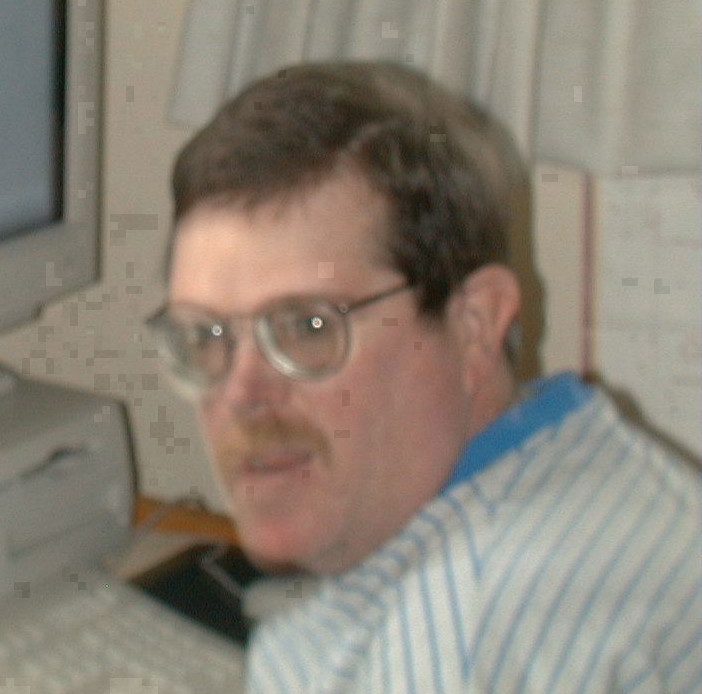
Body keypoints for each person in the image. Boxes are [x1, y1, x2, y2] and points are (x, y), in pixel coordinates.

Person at [146, 62, 702, 693]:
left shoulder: (460, 645)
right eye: (204, 336)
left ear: (475, 324)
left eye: (307, 327)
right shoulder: (597, 473)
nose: (241, 394)